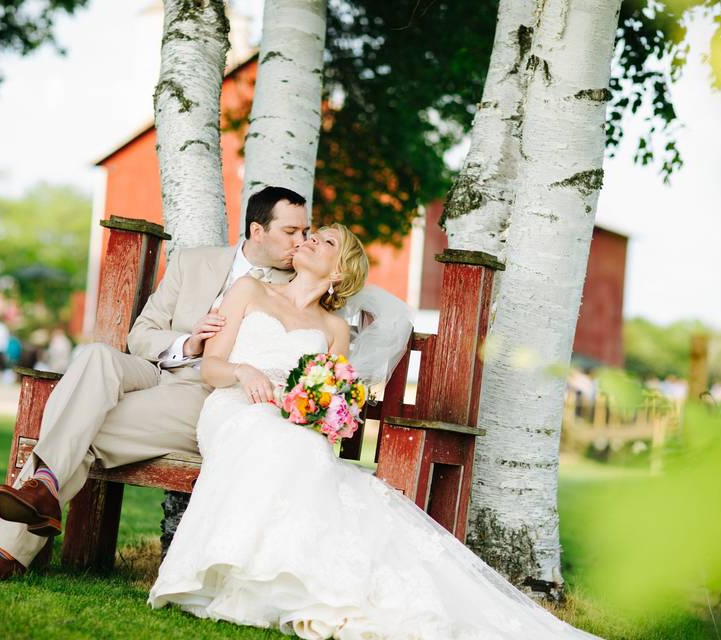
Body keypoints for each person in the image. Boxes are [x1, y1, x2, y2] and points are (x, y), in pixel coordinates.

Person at [149, 225, 598, 640]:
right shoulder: (249, 290)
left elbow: (334, 395)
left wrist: (317, 411)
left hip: (289, 422)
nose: (307, 240)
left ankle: (290, 576)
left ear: (340, 269)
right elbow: (210, 367)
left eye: (323, 241)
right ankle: (243, 573)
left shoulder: (333, 328)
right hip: (233, 407)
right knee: (281, 443)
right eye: (310, 234)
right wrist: (243, 371)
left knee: (300, 447)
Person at [0, 186, 311, 580]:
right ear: (257, 230)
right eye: (291, 231)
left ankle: (6, 544)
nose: (301, 242)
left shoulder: (299, 284)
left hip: (205, 395)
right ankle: (39, 494)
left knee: (82, 428)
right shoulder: (194, 263)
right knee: (95, 356)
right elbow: (142, 334)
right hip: (159, 367)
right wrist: (189, 342)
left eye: (305, 232)